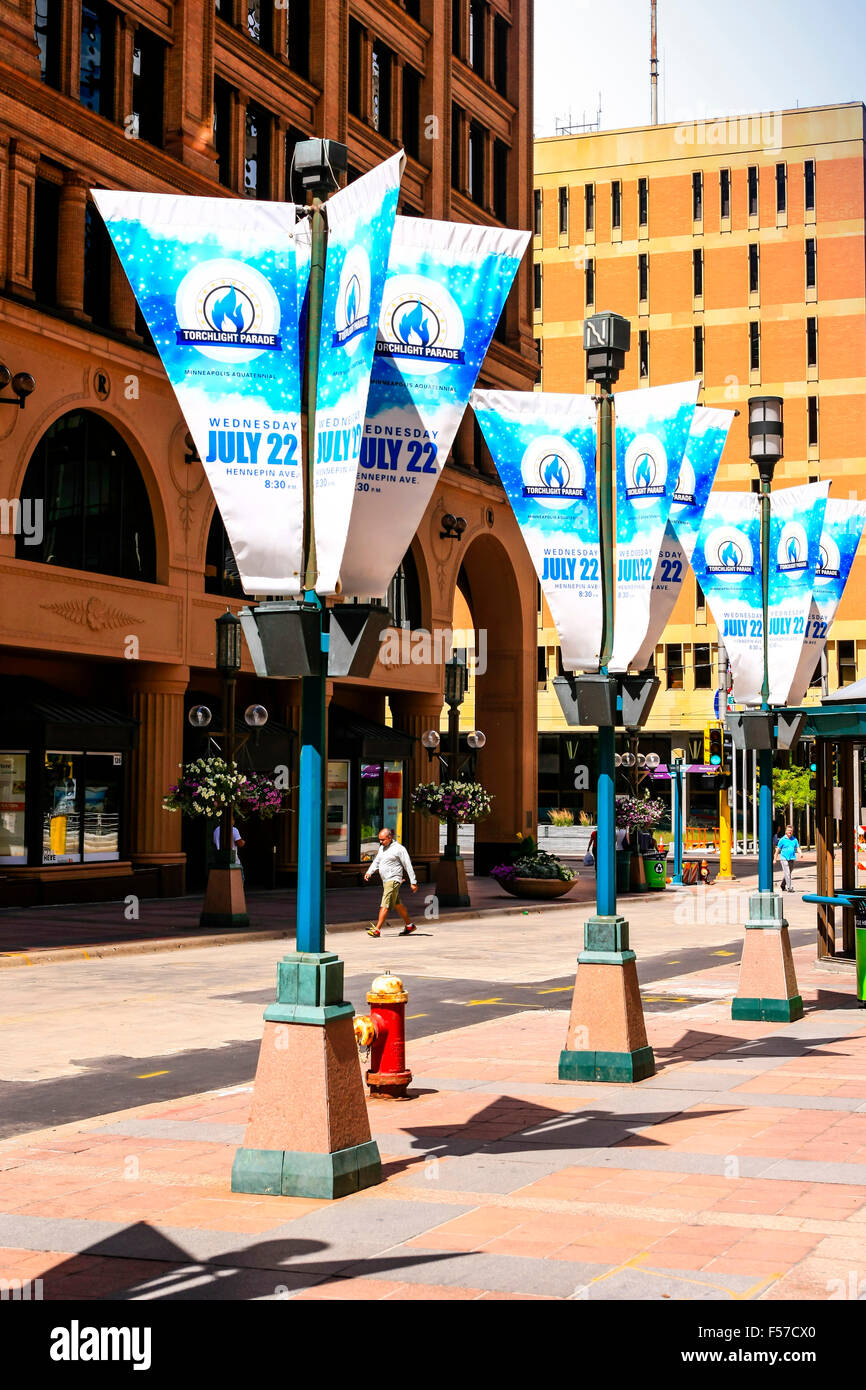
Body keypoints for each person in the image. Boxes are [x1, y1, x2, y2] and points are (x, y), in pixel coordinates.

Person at [364, 826, 418, 937]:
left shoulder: (399, 849)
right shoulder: (382, 848)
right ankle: (409, 925)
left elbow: (407, 865)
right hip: (386, 880)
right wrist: (369, 872)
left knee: (385, 903)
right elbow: (377, 861)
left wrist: (413, 882)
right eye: (379, 839)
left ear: (389, 837)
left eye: (383, 839)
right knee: (397, 904)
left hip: (393, 880)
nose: (380, 842)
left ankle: (377, 929)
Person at [774, 822, 800, 892]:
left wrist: (800, 853)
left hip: (792, 858)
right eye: (788, 830)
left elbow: (797, 848)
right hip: (783, 858)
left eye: (791, 831)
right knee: (787, 873)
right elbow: (777, 850)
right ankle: (790, 887)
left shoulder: (794, 839)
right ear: (786, 831)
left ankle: (783, 885)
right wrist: (775, 859)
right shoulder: (782, 840)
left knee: (788, 873)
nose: (790, 832)